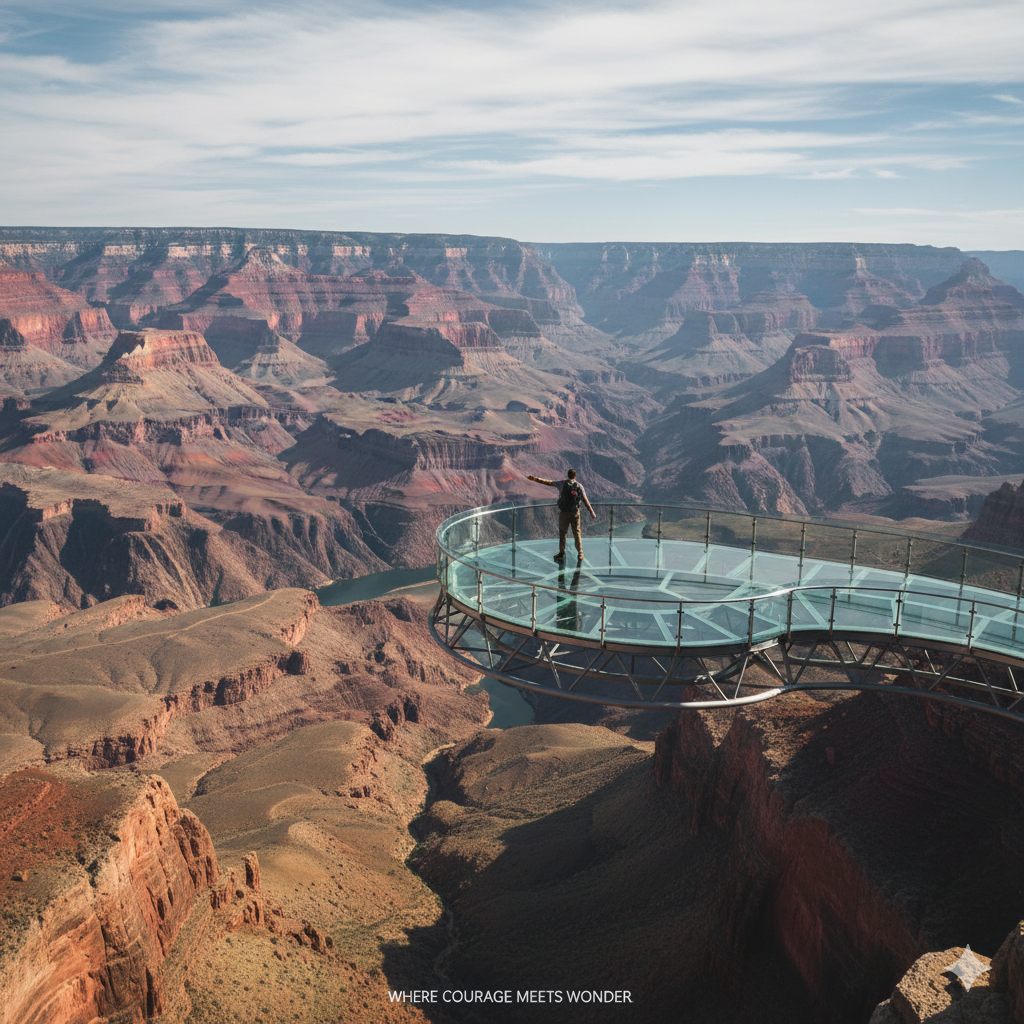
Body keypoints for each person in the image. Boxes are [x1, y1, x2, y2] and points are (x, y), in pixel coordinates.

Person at [526, 469, 596, 562]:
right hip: (575, 514)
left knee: (563, 533)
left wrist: (536, 479)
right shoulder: (579, 486)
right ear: (575, 476)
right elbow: (585, 500)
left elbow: (549, 482)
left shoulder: (562, 484)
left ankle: (561, 552)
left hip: (564, 513)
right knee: (577, 533)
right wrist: (591, 512)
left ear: (568, 475)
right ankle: (580, 553)